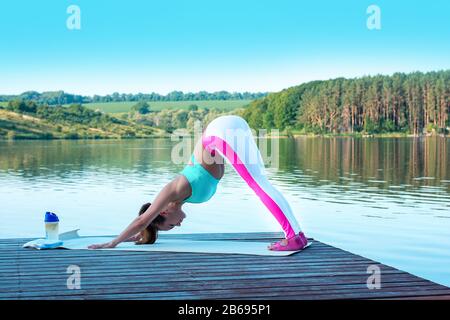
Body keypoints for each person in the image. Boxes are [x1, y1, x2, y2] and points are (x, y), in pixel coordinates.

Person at [89, 115, 308, 251]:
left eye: (172, 225)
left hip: (219, 132)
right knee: (261, 182)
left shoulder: (174, 189)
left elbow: (142, 220)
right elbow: (143, 225)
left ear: (164, 213)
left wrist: (113, 243)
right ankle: (297, 235)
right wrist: (139, 235)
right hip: (230, 125)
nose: (179, 225)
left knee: (258, 184)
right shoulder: (184, 197)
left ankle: (293, 237)